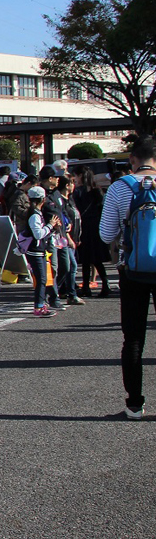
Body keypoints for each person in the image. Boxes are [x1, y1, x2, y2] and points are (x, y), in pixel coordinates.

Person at [98, 133, 156, 420]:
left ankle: (134, 404)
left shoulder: (120, 188)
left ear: (133, 159)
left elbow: (106, 233)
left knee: (133, 339)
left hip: (132, 270)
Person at [19, 185, 60, 317]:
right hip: (35, 250)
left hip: (37, 250)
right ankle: (39, 306)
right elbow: (38, 234)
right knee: (41, 279)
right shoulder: (35, 215)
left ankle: (41, 303)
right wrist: (50, 225)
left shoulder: (35, 213)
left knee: (42, 279)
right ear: (42, 199)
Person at [73, 167, 111, 297]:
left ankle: (86, 287)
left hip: (84, 227)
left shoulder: (78, 192)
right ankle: (105, 285)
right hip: (97, 227)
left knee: (85, 259)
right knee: (97, 259)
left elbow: (76, 210)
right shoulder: (98, 191)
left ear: (79, 176)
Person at [52, 175, 84, 305]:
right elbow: (63, 223)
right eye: (72, 183)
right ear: (67, 185)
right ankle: (67, 292)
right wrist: (69, 238)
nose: (74, 185)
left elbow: (72, 221)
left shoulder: (70, 200)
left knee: (69, 266)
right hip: (64, 239)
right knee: (70, 266)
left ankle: (60, 291)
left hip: (73, 238)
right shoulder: (60, 201)